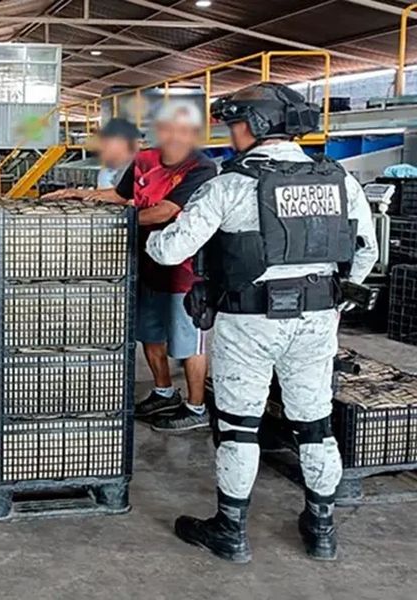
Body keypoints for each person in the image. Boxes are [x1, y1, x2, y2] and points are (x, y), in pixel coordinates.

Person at [146, 83, 378, 563]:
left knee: (238, 427)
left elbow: (170, 250)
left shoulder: (231, 184)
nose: (232, 134)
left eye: (235, 124)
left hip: (248, 324)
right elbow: (366, 253)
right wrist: (334, 306)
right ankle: (322, 530)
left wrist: (150, 237)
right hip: (316, 322)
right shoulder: (340, 180)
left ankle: (230, 531)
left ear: (254, 125)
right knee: (315, 425)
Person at [120, 101, 216, 432]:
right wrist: (78, 195)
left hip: (184, 273)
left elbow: (166, 211)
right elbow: (120, 196)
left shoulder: (201, 167)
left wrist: (116, 223)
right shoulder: (144, 160)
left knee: (188, 342)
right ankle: (164, 392)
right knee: (150, 335)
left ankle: (196, 406)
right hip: (148, 267)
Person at [41, 117, 141, 200]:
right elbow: (117, 195)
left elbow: (129, 199)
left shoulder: (141, 166)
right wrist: (72, 192)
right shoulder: (108, 169)